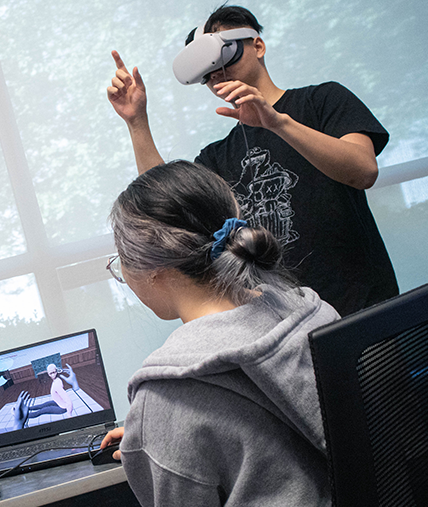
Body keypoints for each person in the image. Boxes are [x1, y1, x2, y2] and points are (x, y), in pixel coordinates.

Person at [99, 160, 340, 507]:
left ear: (153, 269)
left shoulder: (170, 396)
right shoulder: (311, 313)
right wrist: (163, 431)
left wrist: (165, 421)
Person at [107, 5, 398, 316]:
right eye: (206, 70)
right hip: (280, 325)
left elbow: (363, 170)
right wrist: (137, 122)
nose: (216, 72)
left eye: (223, 54)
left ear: (257, 45)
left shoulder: (321, 101)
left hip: (362, 307)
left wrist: (278, 123)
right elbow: (167, 210)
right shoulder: (217, 156)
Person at [11, 363, 75, 429]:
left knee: (41, 411)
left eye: (54, 372)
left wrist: (69, 414)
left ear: (56, 371)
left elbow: (68, 400)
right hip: (58, 402)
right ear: (48, 373)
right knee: (42, 405)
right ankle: (27, 408)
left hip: (63, 408)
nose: (53, 375)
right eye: (51, 373)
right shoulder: (56, 380)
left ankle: (21, 416)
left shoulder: (57, 384)